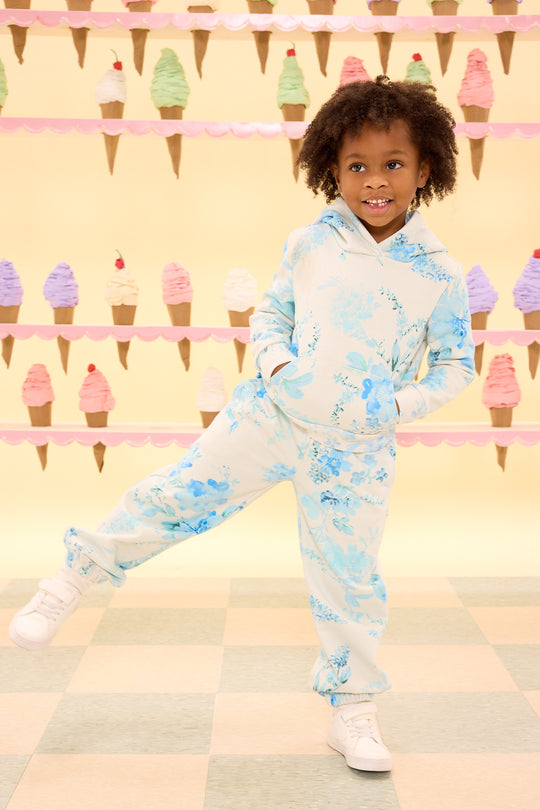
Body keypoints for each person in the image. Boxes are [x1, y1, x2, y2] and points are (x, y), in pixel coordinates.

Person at [9, 76, 475, 773]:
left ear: (425, 167)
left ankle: (353, 714)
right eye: (357, 167)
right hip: (270, 415)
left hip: (355, 450)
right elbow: (270, 314)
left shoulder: (439, 272)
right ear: (332, 169)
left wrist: (396, 407)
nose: (375, 182)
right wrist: (278, 363)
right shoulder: (311, 242)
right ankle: (72, 577)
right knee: (176, 495)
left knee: (350, 579)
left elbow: (455, 366)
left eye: (393, 164)